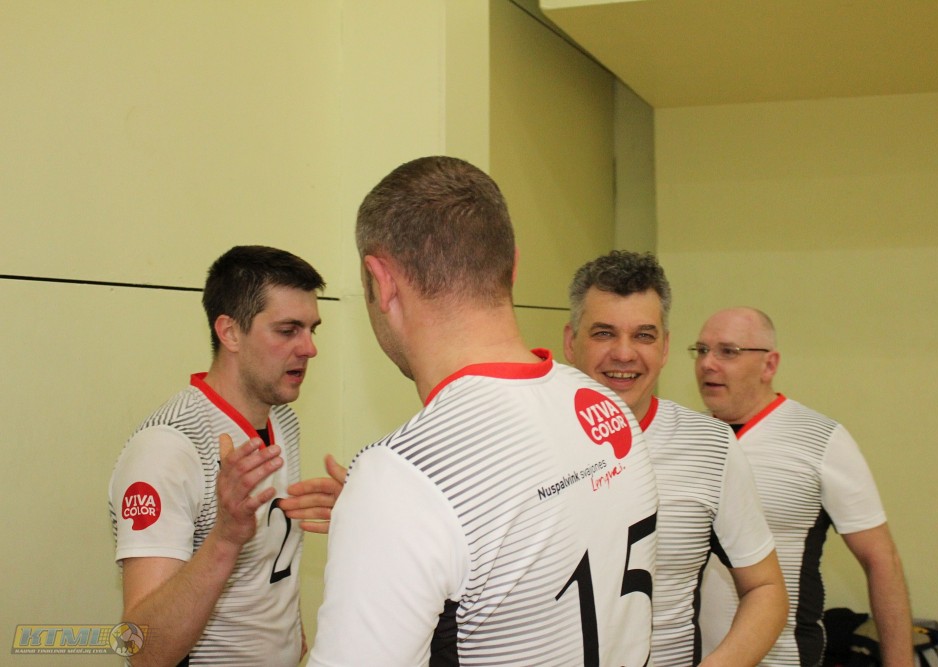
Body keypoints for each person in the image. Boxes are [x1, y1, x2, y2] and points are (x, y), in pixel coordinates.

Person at [308, 156, 659, 666]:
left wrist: (389, 515)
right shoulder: (606, 407)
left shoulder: (401, 479)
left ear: (381, 281)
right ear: (512, 266)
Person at [108, 245, 346, 666]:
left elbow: (265, 569)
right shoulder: (167, 448)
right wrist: (225, 538)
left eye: (312, 329)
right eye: (288, 330)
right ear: (230, 332)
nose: (309, 348)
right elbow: (142, 649)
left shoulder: (282, 418)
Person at [563, 250, 787, 667]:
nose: (624, 354)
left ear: (665, 347)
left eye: (644, 336)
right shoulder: (522, 440)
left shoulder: (712, 447)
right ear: (570, 342)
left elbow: (766, 589)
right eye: (604, 333)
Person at [694, 307, 913, 667]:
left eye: (728, 352)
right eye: (701, 350)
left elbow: (881, 560)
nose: (707, 363)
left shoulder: (822, 439)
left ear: (769, 364)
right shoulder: (689, 437)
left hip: (783, 658)